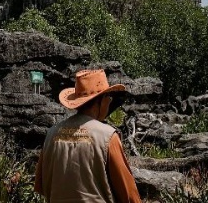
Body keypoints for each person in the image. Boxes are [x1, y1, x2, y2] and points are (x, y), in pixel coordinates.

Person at [34, 69, 141, 203]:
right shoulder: (107, 136)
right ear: (101, 100)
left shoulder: (52, 133)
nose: (109, 102)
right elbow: (129, 195)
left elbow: (41, 186)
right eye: (108, 98)